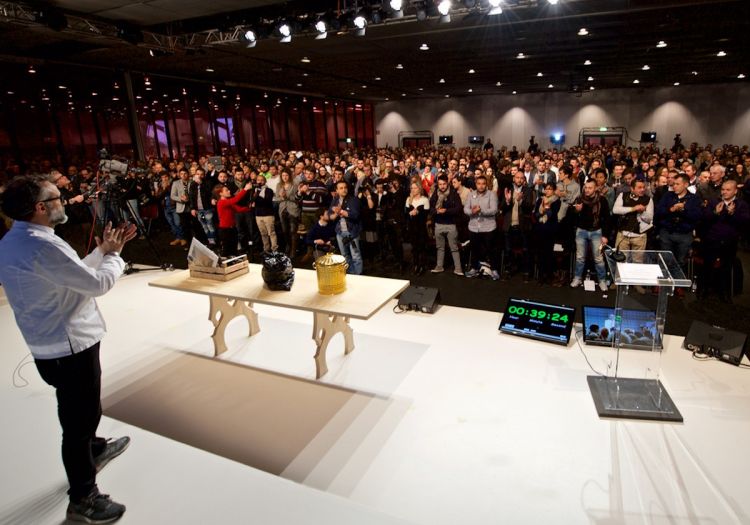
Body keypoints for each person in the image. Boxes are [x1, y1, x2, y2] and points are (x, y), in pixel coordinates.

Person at [0, 175, 136, 524]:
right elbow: (96, 284)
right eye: (58, 197)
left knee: (86, 411)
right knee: (76, 422)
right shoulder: (43, 245)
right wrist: (115, 257)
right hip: (69, 346)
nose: (65, 200)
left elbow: (71, 274)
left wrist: (101, 251)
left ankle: (94, 449)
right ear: (41, 208)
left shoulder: (18, 241)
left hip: (54, 345)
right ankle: (83, 498)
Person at [698, 180, 750, 302]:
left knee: (726, 268)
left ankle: (724, 293)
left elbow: (746, 222)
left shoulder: (742, 205)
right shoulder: (714, 202)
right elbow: (704, 218)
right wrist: (715, 212)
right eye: (723, 189)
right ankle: (703, 291)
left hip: (729, 241)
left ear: (735, 191)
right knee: (707, 267)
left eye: (728, 190)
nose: (724, 192)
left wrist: (732, 214)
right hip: (712, 240)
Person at [570, 180, 611, 291]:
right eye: (586, 187)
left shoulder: (602, 200)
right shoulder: (579, 198)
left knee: (598, 258)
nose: (587, 190)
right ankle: (577, 278)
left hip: (596, 231)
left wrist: (605, 235)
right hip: (581, 231)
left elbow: (607, 218)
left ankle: (602, 281)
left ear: (595, 188)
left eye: (590, 188)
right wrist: (576, 210)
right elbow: (571, 216)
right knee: (580, 258)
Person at [463, 175, 500, 280]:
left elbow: (494, 210)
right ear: (476, 184)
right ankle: (474, 268)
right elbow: (466, 209)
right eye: (479, 184)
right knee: (474, 249)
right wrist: (472, 212)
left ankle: (494, 270)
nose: (481, 186)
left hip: (488, 228)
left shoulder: (491, 195)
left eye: (483, 184)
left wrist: (481, 211)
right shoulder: (471, 195)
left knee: (491, 250)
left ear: (486, 184)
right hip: (474, 227)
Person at [429, 175, 464, 275]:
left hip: (451, 224)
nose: (442, 186)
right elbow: (430, 208)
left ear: (447, 183)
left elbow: (458, 208)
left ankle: (458, 268)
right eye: (440, 184)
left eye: (444, 184)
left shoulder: (453, 193)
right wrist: (436, 211)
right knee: (440, 247)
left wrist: (446, 211)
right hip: (438, 223)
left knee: (454, 247)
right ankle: (439, 266)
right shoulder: (435, 194)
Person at [328, 180, 363, 274]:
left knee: (356, 256)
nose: (344, 190)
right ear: (337, 190)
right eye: (341, 188)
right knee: (344, 255)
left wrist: (341, 212)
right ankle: (350, 273)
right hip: (340, 232)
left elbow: (355, 215)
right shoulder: (335, 200)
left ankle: (358, 275)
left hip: (352, 232)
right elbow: (330, 216)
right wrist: (336, 213)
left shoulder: (354, 199)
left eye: (345, 187)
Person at [531, 182, 561, 284]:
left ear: (553, 190)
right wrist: (542, 211)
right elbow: (536, 215)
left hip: (550, 229)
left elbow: (552, 215)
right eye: (546, 189)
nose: (547, 191)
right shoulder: (540, 199)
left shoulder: (556, 201)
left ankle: (548, 275)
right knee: (540, 252)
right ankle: (540, 274)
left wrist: (547, 208)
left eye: (550, 189)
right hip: (540, 229)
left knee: (548, 253)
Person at [214, 181, 253, 257]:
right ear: (220, 193)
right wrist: (245, 189)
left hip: (232, 228)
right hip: (225, 230)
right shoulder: (221, 202)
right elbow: (235, 200)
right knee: (226, 250)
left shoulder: (227, 202)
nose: (229, 191)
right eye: (226, 190)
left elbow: (238, 209)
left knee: (233, 249)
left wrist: (249, 208)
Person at [405, 181, 430, 274]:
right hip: (412, 227)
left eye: (415, 188)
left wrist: (418, 212)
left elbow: (426, 215)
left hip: (421, 227)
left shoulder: (425, 200)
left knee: (422, 247)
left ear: (419, 189)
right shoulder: (408, 199)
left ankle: (422, 265)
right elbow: (406, 214)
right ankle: (416, 265)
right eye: (411, 188)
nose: (413, 190)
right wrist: (410, 213)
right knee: (414, 247)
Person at [252, 173, 277, 253]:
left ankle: (274, 249)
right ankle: (266, 249)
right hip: (258, 214)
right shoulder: (254, 190)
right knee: (263, 233)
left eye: (262, 180)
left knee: (271, 233)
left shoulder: (269, 190)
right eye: (258, 180)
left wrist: (257, 196)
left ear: (265, 181)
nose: (260, 182)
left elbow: (266, 201)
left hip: (268, 214)